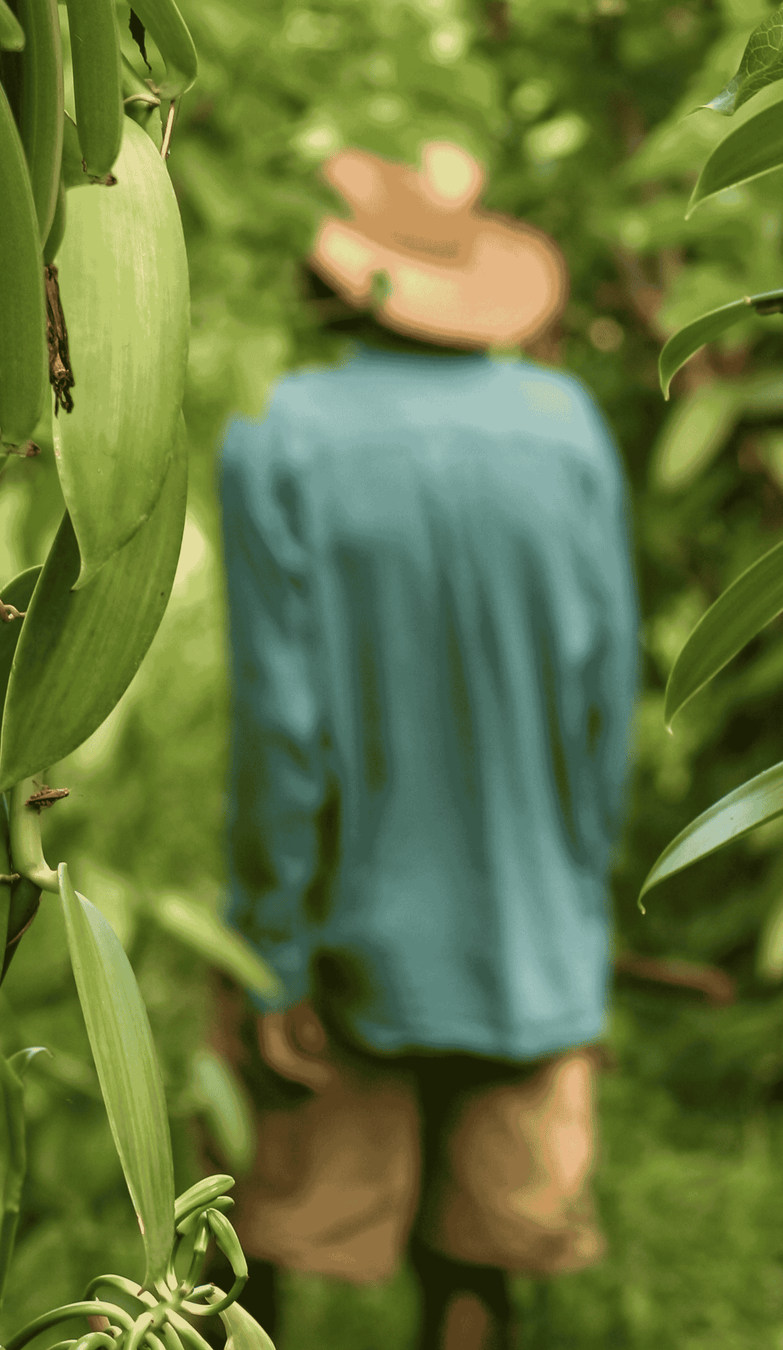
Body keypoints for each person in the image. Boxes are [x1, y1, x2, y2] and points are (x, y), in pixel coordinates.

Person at [211, 141, 640, 1350]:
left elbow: (282, 726)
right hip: (524, 935)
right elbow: (604, 701)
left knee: (253, 1268)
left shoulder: (279, 432)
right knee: (475, 1273)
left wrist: (270, 953)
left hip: (347, 930)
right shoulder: (564, 429)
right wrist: (574, 909)